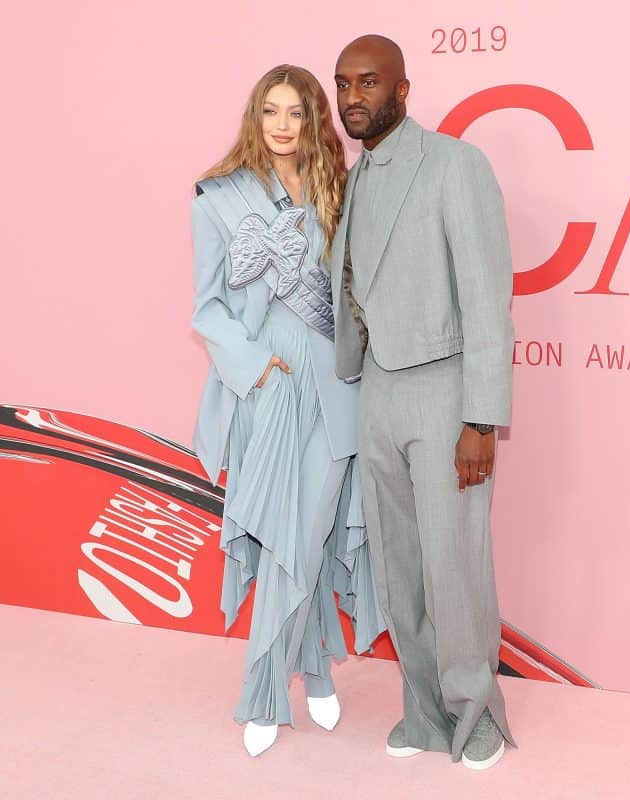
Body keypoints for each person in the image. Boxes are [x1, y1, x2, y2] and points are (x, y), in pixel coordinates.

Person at [330, 35, 516, 770]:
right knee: (399, 567)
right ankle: (424, 714)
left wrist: (480, 417)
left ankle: (477, 720)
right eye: (344, 83)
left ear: (402, 90)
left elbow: (485, 297)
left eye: (368, 82)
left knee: (455, 565)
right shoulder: (355, 177)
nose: (353, 96)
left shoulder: (454, 165)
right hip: (378, 386)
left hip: (445, 392)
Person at [190, 64, 384, 757]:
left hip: (335, 383)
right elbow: (207, 306)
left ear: (311, 120)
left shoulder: (338, 187)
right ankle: (270, 686)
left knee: (315, 533)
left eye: (295, 112)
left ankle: (308, 663)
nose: (281, 124)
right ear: (255, 116)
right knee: (284, 537)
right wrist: (249, 365)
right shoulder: (221, 197)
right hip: (270, 380)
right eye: (270, 110)